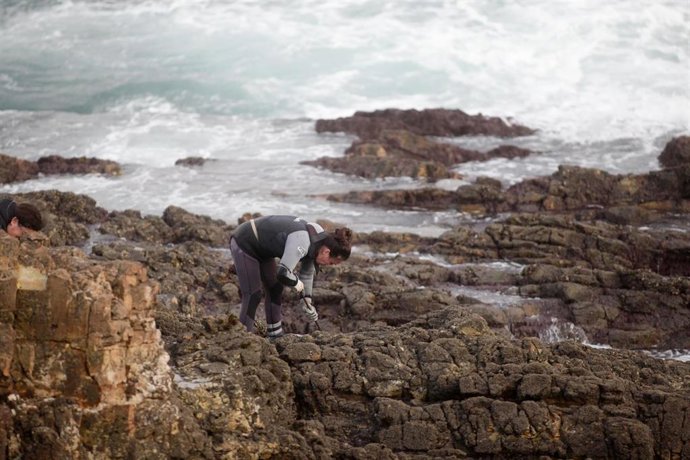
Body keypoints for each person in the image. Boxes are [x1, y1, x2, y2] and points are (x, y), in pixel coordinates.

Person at [230, 215, 353, 339]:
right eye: (331, 262)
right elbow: (283, 273)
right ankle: (242, 339)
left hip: (263, 250)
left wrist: (308, 304)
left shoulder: (318, 243)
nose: (329, 265)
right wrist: (295, 283)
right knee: (253, 294)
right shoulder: (303, 241)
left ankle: (275, 336)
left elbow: (306, 275)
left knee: (275, 289)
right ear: (326, 252)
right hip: (244, 241)